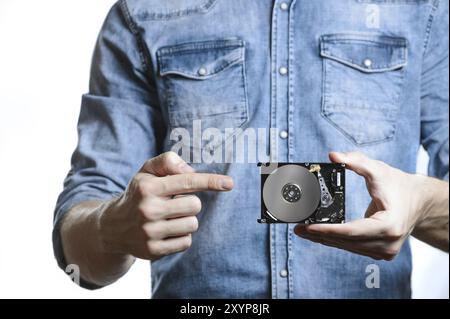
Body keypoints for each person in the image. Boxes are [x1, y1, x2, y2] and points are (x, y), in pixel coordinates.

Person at [53, 0, 449, 298]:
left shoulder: (423, 10)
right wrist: (110, 228)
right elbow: (77, 244)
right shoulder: (143, 12)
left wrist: (424, 203)